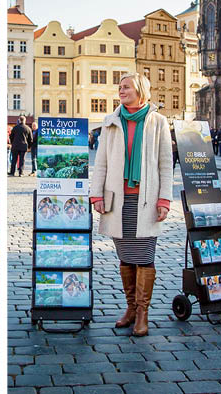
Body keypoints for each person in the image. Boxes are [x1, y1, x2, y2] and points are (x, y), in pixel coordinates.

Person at [89, 72, 171, 337]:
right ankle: (130, 308)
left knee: (145, 257)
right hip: (118, 198)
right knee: (125, 256)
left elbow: (166, 165)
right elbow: (101, 162)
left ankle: (143, 312)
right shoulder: (111, 121)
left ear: (140, 90)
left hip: (145, 199)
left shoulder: (158, 122)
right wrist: (96, 195)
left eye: (126, 87)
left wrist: (164, 199)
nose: (121, 90)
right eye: (120, 87)